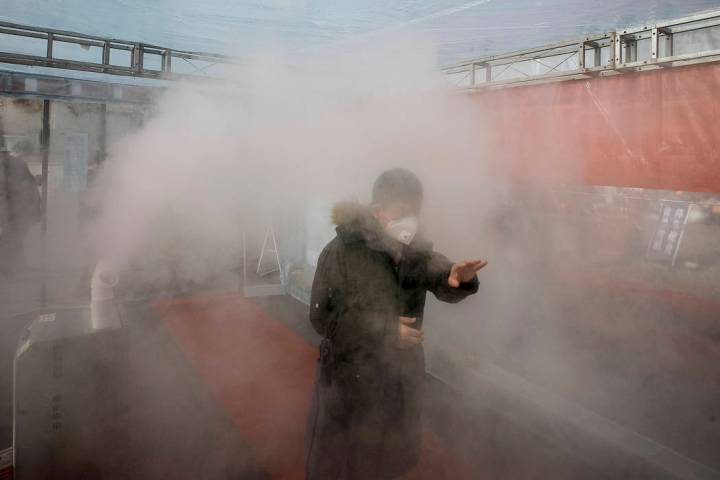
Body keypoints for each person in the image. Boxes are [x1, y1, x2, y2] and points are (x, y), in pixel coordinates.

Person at [305, 168, 486, 479]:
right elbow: (321, 319)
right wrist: (383, 331)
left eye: (415, 212)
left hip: (399, 380)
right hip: (351, 382)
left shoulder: (414, 251)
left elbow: (440, 274)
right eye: (402, 213)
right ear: (378, 211)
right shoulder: (340, 253)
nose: (410, 222)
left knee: (389, 460)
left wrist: (458, 279)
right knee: (345, 462)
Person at [0, 141, 42, 274]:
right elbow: (28, 186)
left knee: (13, 239)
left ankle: (15, 266)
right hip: (15, 210)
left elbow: (28, 185)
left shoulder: (17, 164)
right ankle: (12, 267)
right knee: (12, 239)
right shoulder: (17, 164)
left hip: (17, 210)